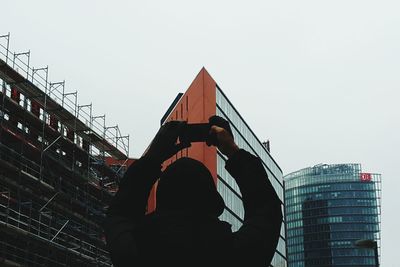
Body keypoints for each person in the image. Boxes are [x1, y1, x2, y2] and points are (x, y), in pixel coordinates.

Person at [104, 116, 282, 267]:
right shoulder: (234, 255)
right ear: (213, 201)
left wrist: (153, 156)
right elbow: (266, 210)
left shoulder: (134, 252)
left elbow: (120, 213)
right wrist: (232, 150)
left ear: (161, 197)